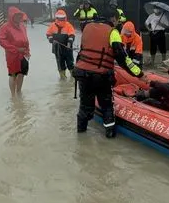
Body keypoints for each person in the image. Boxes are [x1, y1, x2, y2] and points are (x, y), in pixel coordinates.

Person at [72, 8, 146, 138]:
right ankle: (110, 136)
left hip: (82, 74)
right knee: (106, 106)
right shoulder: (113, 32)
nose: (118, 23)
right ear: (113, 19)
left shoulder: (87, 27)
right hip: (101, 76)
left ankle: (81, 134)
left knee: (84, 107)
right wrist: (139, 74)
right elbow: (122, 58)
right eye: (117, 20)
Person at [0, 6, 31, 98]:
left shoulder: (22, 26)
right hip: (12, 55)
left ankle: (19, 92)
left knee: (21, 74)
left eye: (20, 15)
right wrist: (15, 49)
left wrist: (28, 51)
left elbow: (26, 40)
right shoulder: (5, 27)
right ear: (12, 16)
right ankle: (13, 95)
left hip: (24, 54)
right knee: (13, 74)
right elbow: (2, 41)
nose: (19, 17)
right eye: (17, 15)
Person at [46, 9, 76, 79]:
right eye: (59, 18)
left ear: (65, 17)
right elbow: (48, 34)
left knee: (70, 63)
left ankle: (73, 78)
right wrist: (51, 39)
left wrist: (69, 43)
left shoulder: (68, 25)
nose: (61, 19)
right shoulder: (52, 25)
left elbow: (72, 35)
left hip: (67, 47)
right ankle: (62, 78)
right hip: (57, 48)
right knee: (60, 64)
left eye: (62, 18)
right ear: (56, 18)